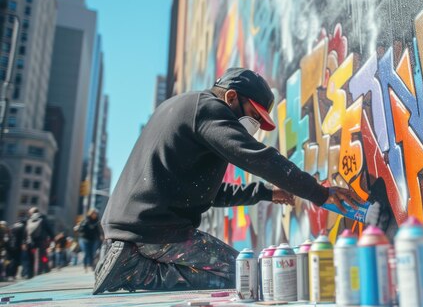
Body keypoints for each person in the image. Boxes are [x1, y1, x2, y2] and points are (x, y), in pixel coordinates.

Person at [93, 68, 362, 294]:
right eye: (254, 116)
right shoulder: (209, 109)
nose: (254, 125)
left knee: (239, 273)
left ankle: (131, 264)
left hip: (139, 226)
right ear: (231, 96)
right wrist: (320, 193)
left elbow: (204, 193)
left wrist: (265, 193)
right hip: (154, 230)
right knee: (247, 276)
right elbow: (258, 158)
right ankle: (137, 271)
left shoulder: (183, 107)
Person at [24, 207, 54, 278]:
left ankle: (45, 268)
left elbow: (26, 231)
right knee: (42, 256)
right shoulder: (43, 218)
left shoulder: (30, 220)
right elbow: (49, 229)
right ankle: (39, 272)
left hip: (32, 241)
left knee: (35, 257)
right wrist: (52, 238)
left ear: (31, 213)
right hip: (42, 240)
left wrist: (25, 241)